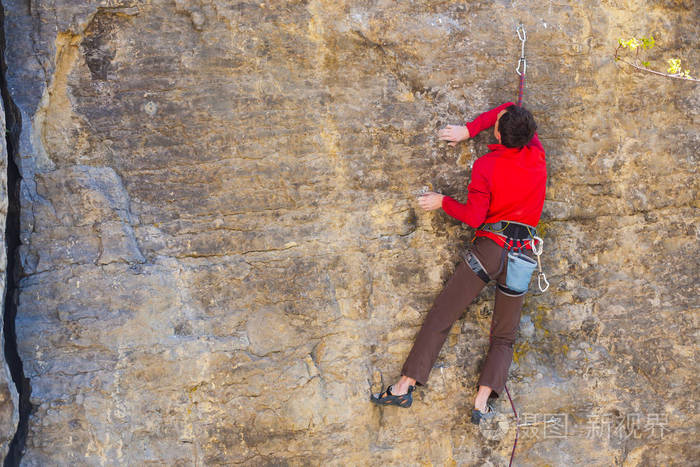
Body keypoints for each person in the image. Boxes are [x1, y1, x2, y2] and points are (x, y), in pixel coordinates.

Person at [370, 102, 546, 424]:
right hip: (522, 255)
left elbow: (475, 217)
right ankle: (481, 402)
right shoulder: (537, 154)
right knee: (504, 336)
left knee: (443, 314)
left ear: (497, 132)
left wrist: (443, 201)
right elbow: (512, 107)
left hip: (490, 249)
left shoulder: (486, 165)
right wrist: (478, 128)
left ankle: (404, 385)